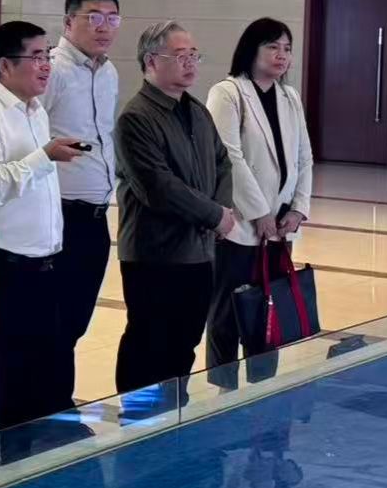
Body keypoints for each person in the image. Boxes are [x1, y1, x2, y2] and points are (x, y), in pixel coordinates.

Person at [0, 20, 85, 430]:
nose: (46, 65)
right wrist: (44, 156)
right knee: (9, 381)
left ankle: (43, 454)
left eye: (47, 56)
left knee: (46, 373)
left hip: (45, 264)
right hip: (9, 268)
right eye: (35, 57)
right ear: (5, 65)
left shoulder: (35, 110)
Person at [113, 20, 234, 396]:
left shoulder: (196, 111)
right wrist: (214, 215)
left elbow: (222, 162)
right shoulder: (136, 117)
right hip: (155, 254)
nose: (191, 63)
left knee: (184, 344)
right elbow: (159, 187)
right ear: (151, 60)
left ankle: (172, 413)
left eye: (194, 55)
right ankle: (140, 421)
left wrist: (222, 210)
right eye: (180, 55)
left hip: (198, 251)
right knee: (149, 344)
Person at [205, 19, 314, 379]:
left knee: (269, 310)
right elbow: (229, 156)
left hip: (280, 226)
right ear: (251, 49)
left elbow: (304, 157)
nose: (282, 55)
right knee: (227, 313)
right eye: (272, 47)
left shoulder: (289, 97)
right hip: (239, 226)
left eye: (287, 48)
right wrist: (259, 212)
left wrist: (298, 209)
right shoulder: (228, 93)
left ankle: (262, 387)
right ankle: (222, 391)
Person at [42, 0, 122, 406]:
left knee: (76, 319)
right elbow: (31, 133)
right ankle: (51, 405)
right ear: (68, 21)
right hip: (59, 214)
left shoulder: (108, 72)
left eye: (112, 18)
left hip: (96, 214)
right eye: (94, 17)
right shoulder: (52, 71)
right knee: (54, 319)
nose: (103, 27)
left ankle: (59, 400)